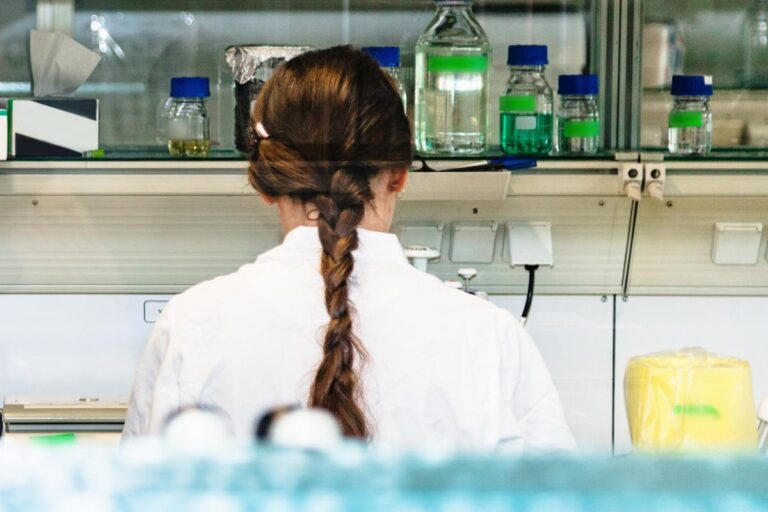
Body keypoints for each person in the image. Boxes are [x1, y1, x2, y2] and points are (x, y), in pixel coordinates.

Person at [123, 45, 576, 453]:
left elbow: (140, 497)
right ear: (399, 175)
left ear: (265, 185)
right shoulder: (488, 338)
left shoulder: (191, 325)